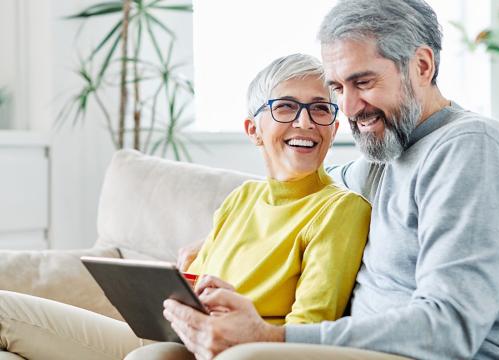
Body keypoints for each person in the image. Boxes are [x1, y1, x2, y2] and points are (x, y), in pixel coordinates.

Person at [130, 0, 499, 359]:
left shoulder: (471, 148)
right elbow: (293, 189)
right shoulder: (383, 157)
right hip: (368, 353)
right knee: (156, 354)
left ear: (422, 66)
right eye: (337, 89)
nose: (347, 109)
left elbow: (449, 329)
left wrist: (271, 335)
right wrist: (215, 254)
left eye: (363, 82)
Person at [0, 53, 371, 359]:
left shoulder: (340, 209)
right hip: (174, 338)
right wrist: (186, 279)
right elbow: (205, 286)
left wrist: (240, 325)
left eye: (321, 109)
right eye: (286, 107)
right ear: (253, 130)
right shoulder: (242, 198)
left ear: (334, 128)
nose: (305, 122)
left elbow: (308, 331)